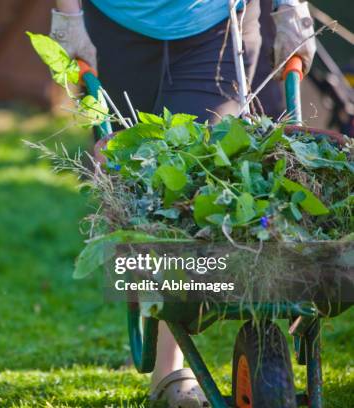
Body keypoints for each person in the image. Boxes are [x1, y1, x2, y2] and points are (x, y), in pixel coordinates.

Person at [50, 0, 316, 407]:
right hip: (116, 25)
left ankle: (174, 365)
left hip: (216, 25)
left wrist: (290, 9)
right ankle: (170, 368)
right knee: (139, 183)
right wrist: (69, 19)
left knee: (192, 180)